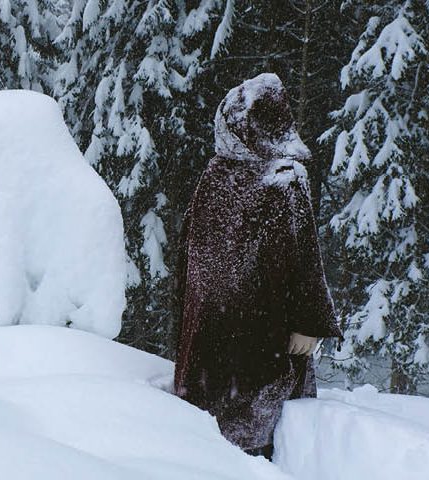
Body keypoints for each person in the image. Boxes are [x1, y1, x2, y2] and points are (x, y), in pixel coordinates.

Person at [173, 73, 341, 460]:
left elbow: (302, 253)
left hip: (249, 329)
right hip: (229, 330)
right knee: (229, 438)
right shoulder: (223, 173)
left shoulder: (278, 177)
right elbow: (190, 254)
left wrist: (308, 322)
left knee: (238, 435)